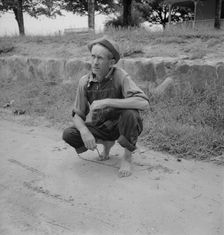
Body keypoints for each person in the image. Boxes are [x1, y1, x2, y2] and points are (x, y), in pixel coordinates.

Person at [62, 36, 149, 177]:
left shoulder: (121, 76)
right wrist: (84, 131)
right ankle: (107, 142)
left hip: (121, 125)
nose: (95, 63)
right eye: (93, 57)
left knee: (131, 114)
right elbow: (78, 115)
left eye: (100, 58)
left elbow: (143, 102)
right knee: (69, 134)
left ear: (111, 62)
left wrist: (107, 101)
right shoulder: (84, 82)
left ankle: (127, 156)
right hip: (101, 127)